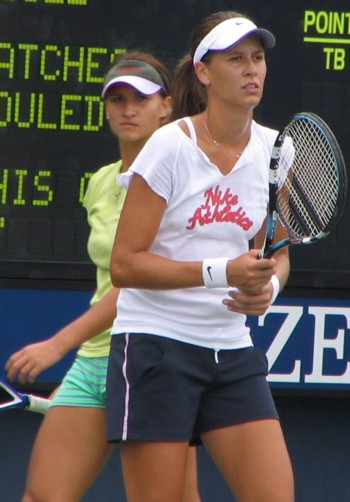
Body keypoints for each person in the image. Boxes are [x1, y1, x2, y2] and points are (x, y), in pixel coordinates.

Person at [107, 11, 294, 502]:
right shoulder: (168, 147)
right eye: (236, 59)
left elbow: (277, 253)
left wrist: (267, 287)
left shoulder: (279, 151)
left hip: (232, 352)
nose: (251, 69)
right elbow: (124, 264)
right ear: (204, 73)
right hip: (155, 348)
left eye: (257, 59)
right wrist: (221, 272)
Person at [5, 51, 201, 502]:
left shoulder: (181, 181)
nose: (128, 110)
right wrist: (82, 355)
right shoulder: (98, 182)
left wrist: (57, 343)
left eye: (140, 98)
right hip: (96, 363)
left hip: (154, 358)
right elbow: (108, 280)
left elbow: (136, 282)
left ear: (166, 106)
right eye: (117, 99)